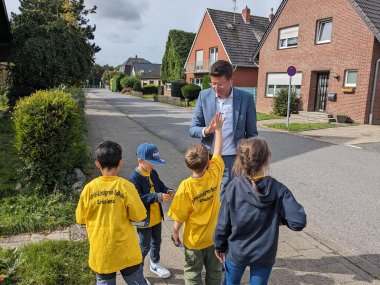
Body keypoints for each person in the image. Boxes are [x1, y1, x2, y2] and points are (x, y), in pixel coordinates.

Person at [214, 137, 307, 285]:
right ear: (267, 159)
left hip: (237, 252)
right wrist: (278, 218)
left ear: (241, 160)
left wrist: (219, 246)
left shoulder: (233, 187)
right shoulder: (278, 189)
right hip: (264, 255)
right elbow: (298, 222)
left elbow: (223, 223)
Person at [76, 141, 150, 285]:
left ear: (97, 164)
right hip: (126, 252)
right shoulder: (126, 187)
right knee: (136, 281)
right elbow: (140, 216)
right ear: (121, 162)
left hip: (101, 253)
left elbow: (80, 219)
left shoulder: (88, 189)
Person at [169, 112, 225, 285]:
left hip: (193, 242)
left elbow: (179, 216)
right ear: (207, 163)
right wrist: (218, 129)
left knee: (193, 273)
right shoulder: (214, 173)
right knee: (215, 272)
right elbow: (218, 151)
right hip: (214, 238)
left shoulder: (186, 187)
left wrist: (175, 232)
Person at [189, 60, 258, 199]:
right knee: (207, 196)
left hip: (233, 158)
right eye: (213, 83)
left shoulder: (246, 98)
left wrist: (249, 162)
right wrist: (207, 130)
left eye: (220, 84)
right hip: (208, 158)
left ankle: (223, 220)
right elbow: (192, 129)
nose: (216, 88)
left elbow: (252, 134)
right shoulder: (204, 96)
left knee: (228, 196)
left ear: (231, 80)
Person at [129, 142, 173, 279]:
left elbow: (160, 185)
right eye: (151, 162)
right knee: (144, 247)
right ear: (140, 160)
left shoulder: (152, 172)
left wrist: (167, 190)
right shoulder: (134, 178)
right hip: (144, 220)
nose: (153, 166)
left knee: (157, 242)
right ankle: (137, 273)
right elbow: (138, 198)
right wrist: (157, 196)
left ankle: (155, 263)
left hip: (156, 217)